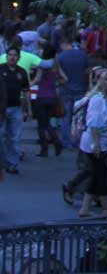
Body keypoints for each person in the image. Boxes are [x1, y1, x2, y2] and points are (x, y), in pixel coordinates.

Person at [75, 68, 107, 217]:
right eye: (106, 79)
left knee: (99, 175)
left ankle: (86, 207)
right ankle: (105, 207)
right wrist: (96, 144)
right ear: (100, 82)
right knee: (103, 175)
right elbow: (93, 123)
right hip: (96, 143)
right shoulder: (97, 99)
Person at [0, 45, 31, 176]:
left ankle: (12, 164)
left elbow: (26, 92)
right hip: (1, 109)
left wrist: (28, 110)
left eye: (14, 55)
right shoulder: (0, 70)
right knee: (1, 136)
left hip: (16, 108)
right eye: (10, 55)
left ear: (18, 58)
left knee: (15, 137)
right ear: (6, 57)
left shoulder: (22, 72)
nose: (12, 57)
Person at [58, 32, 90, 149]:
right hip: (80, 88)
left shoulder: (60, 57)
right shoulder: (83, 55)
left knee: (66, 116)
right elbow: (87, 72)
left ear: (64, 44)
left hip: (66, 89)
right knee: (80, 117)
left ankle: (67, 142)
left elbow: (58, 75)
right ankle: (79, 141)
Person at [33, 43, 66, 157]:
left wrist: (28, 84)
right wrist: (56, 83)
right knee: (47, 123)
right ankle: (57, 142)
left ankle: (44, 149)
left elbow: (37, 79)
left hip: (41, 97)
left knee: (41, 125)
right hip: (52, 97)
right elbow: (65, 78)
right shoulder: (55, 65)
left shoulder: (42, 65)